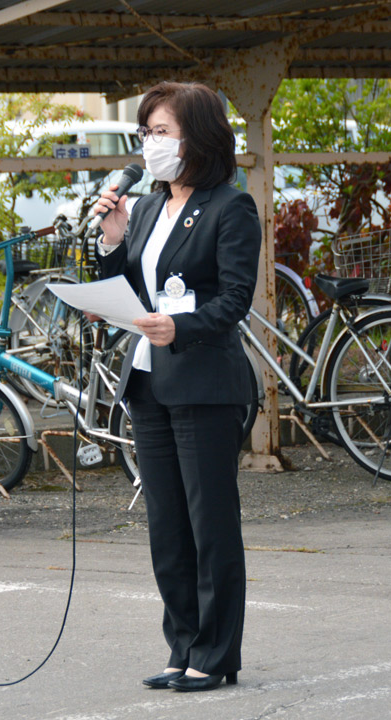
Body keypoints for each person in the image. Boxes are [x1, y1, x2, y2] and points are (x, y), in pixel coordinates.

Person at [92, 81, 262, 691]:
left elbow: (235, 301)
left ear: (199, 135)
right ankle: (182, 645)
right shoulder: (144, 207)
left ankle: (215, 655)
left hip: (205, 381)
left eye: (161, 132)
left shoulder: (229, 206)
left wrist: (181, 326)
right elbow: (132, 288)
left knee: (208, 522)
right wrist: (112, 240)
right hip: (147, 380)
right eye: (146, 133)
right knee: (166, 523)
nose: (151, 144)